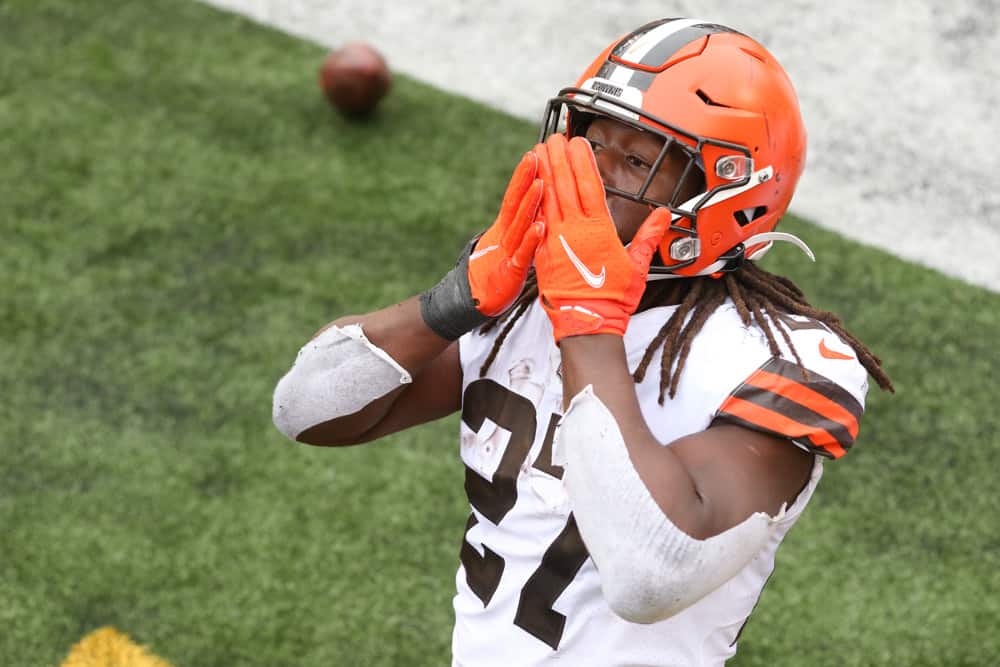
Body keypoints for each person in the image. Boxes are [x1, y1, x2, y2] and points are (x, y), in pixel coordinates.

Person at [272, 17, 893, 666]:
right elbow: (306, 410)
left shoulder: (783, 357)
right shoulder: (525, 297)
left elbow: (651, 572)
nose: (595, 180)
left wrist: (589, 323)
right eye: (593, 147)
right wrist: (449, 302)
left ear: (727, 192)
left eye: (636, 161)